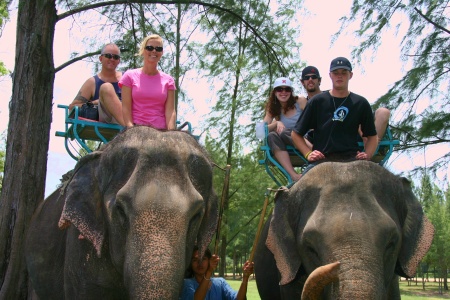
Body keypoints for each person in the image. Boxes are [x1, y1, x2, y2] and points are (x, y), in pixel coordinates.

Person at [292, 57, 378, 173]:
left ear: (350, 75)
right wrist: (308, 154)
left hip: (352, 159)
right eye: (336, 73)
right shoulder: (317, 101)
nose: (339, 76)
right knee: (297, 190)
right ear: (330, 75)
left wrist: (367, 155)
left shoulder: (360, 103)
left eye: (344, 73)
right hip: (321, 160)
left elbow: (372, 136)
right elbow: (296, 134)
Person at [120, 34, 176, 129]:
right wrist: (131, 129)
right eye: (150, 48)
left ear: (161, 53)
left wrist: (171, 133)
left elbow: (170, 111)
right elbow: (126, 108)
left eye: (158, 49)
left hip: (160, 131)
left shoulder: (168, 80)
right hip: (136, 128)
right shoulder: (129, 76)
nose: (154, 51)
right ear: (143, 50)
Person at [262, 77, 308, 181]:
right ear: (275, 92)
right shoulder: (273, 108)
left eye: (287, 89)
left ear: (291, 91)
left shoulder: (300, 101)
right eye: (280, 89)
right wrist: (276, 123)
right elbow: (260, 131)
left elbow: (313, 121)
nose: (283, 92)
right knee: (272, 135)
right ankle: (293, 175)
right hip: (286, 140)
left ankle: (313, 151)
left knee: (285, 132)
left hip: (304, 138)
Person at [69, 42, 124, 125]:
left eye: (115, 57)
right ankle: (131, 129)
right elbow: (72, 108)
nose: (112, 59)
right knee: (106, 88)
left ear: (118, 61)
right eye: (108, 56)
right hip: (107, 119)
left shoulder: (126, 78)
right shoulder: (92, 82)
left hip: (128, 114)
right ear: (101, 58)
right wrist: (97, 102)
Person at [180, 246, 254, 300]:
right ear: (190, 263)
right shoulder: (186, 284)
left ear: (209, 261)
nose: (200, 263)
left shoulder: (220, 283)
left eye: (203, 259)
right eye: (195, 260)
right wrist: (209, 271)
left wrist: (245, 278)